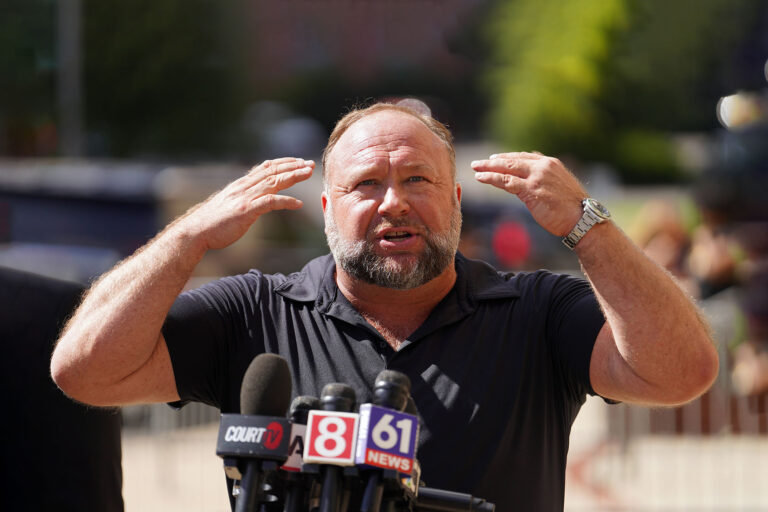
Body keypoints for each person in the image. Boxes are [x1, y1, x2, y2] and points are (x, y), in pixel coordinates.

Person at [51, 103, 718, 511]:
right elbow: (84, 370)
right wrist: (188, 236)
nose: (393, 201)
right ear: (327, 211)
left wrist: (588, 226)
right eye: (366, 183)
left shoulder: (536, 310)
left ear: (456, 201)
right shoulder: (257, 310)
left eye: (417, 179)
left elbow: (682, 372)